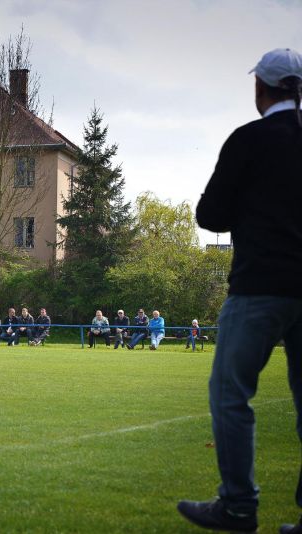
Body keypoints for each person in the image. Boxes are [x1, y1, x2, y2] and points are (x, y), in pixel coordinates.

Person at [178, 48, 302, 534]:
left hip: (260, 286)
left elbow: (211, 216)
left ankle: (237, 506)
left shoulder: (248, 140)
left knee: (231, 394)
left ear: (260, 89)